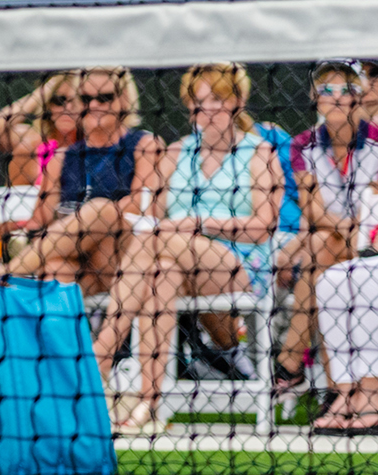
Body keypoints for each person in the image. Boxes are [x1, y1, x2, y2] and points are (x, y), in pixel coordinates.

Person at [91, 63, 281, 437]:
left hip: (237, 263)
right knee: (162, 273)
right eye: (198, 101)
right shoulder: (177, 151)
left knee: (156, 242)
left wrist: (200, 224)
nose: (205, 110)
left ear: (237, 102)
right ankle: (148, 403)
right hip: (171, 257)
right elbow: (151, 216)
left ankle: (101, 355)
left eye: (215, 100)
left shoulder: (260, 152)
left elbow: (264, 225)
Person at [8, 67, 160, 296]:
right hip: (77, 259)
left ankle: (4, 275)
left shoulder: (145, 145)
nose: (94, 105)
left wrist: (85, 220)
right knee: (56, 271)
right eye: (86, 99)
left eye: (105, 97)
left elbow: (140, 204)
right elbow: (40, 219)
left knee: (101, 210)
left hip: (122, 259)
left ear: (124, 99)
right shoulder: (61, 159)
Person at [276, 60, 378, 391]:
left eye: (345, 89)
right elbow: (314, 210)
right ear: (315, 98)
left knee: (320, 250)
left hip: (371, 242)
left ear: (359, 96)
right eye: (326, 90)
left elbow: (372, 210)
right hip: (331, 240)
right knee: (322, 251)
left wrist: (347, 230)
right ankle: (338, 389)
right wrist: (345, 229)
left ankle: (296, 362)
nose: (335, 97)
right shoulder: (301, 144)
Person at [0, 71, 81, 188]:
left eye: (77, 101)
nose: (67, 108)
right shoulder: (33, 144)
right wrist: (44, 90)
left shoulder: (95, 145)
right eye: (59, 100)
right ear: (48, 106)